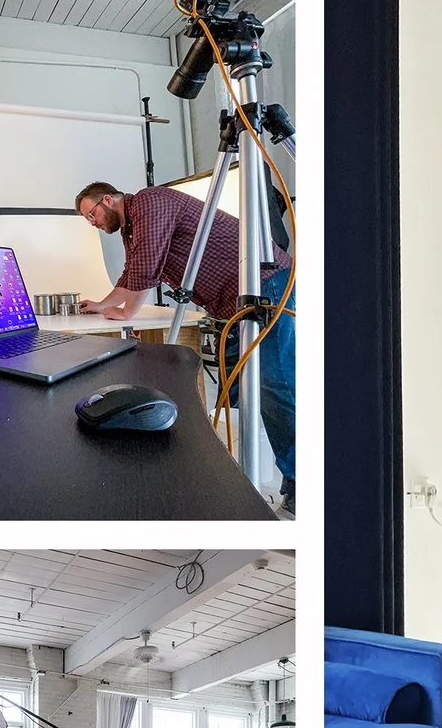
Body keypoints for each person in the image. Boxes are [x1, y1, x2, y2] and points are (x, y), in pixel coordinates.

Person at [74, 180, 296, 508]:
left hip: (265, 283)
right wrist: (115, 309)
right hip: (233, 300)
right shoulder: (131, 227)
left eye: (92, 214)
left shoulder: (150, 202)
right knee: (243, 388)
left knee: (275, 385)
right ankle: (259, 468)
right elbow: (138, 271)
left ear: (108, 199)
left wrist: (114, 307)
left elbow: (145, 265)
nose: (92, 222)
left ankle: (303, 482)